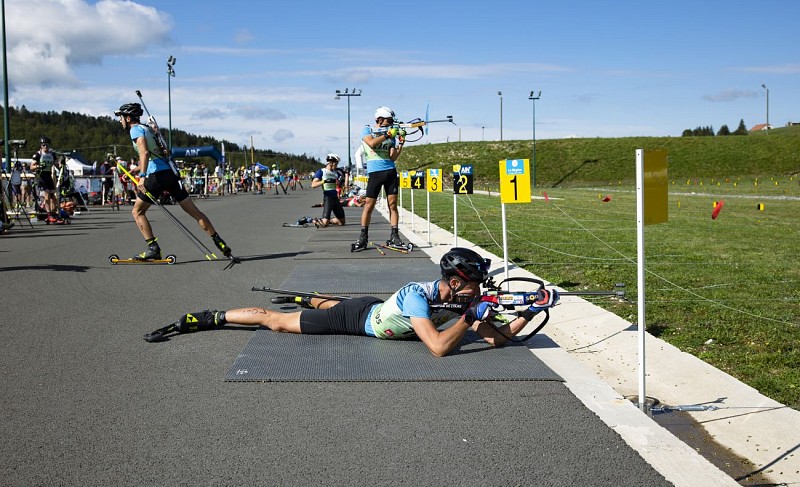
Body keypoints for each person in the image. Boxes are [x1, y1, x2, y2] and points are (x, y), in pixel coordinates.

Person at [160, 248, 560, 357]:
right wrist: (470, 317)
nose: (480, 291)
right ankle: (211, 316)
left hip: (377, 307)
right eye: (475, 286)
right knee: (276, 321)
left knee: (328, 304)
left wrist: (531, 309)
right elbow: (438, 348)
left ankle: (312, 299)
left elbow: (500, 340)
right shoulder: (417, 297)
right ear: (455, 282)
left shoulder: (460, 299)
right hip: (359, 318)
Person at [115, 102, 233, 260]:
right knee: (194, 212)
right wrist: (134, 170)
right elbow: (156, 155)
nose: (120, 120)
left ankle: (153, 248)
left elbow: (144, 153)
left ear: (128, 118)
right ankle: (219, 242)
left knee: (137, 212)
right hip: (170, 174)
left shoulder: (135, 129)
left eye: (121, 117)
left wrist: (142, 177)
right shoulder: (149, 129)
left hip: (156, 176)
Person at [353, 106, 406, 251]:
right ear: (379, 120)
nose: (390, 123)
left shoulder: (391, 133)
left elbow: (393, 157)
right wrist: (388, 135)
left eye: (391, 121)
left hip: (390, 171)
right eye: (388, 121)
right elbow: (371, 143)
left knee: (393, 205)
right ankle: (363, 236)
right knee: (369, 205)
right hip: (375, 172)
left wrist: (401, 142)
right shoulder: (367, 130)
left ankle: (395, 235)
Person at [30, 136, 63, 223]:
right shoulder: (38, 154)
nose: (45, 147)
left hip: (49, 175)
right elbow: (31, 166)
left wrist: (61, 163)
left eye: (47, 145)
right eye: (43, 145)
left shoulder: (52, 154)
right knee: (47, 196)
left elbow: (57, 166)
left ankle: (53, 212)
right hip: (41, 176)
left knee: (53, 196)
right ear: (41, 146)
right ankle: (49, 214)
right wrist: (39, 166)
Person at [310, 154, 346, 227]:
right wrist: (324, 181)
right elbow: (313, 185)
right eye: (336, 163)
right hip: (328, 197)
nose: (337, 165)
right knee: (324, 224)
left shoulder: (336, 172)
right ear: (331, 163)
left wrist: (341, 182)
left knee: (341, 222)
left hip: (335, 198)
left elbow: (342, 184)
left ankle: (328, 220)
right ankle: (310, 220)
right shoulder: (321, 171)